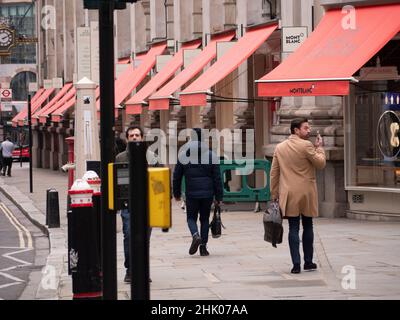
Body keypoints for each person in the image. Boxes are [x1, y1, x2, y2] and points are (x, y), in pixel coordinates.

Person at [270, 118, 326, 274]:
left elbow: (274, 173)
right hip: (306, 192)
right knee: (308, 225)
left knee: (293, 228)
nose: (309, 130)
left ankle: (296, 264)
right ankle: (308, 262)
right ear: (296, 130)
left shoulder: (280, 147)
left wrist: (274, 194)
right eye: (306, 128)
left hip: (288, 193)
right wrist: (319, 148)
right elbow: (320, 163)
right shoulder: (306, 145)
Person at [173, 128, 223, 257]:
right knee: (205, 219)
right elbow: (217, 178)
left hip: (191, 193)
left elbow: (176, 176)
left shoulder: (184, 155)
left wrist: (176, 193)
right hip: (207, 194)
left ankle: (195, 235)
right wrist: (219, 196)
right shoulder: (211, 155)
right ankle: (203, 247)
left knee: (191, 218)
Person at [115, 126, 154, 283]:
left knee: (145, 238)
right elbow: (117, 182)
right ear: (127, 139)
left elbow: (159, 181)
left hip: (147, 204)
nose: (135, 138)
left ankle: (143, 270)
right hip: (128, 205)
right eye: (132, 135)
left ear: (142, 138)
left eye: (137, 135)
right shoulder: (120, 158)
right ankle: (130, 269)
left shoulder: (152, 157)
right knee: (129, 236)